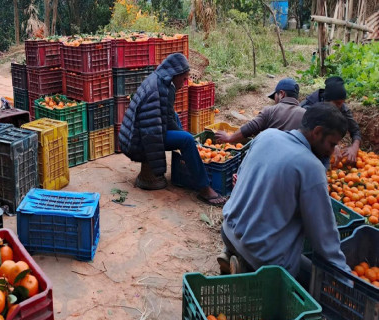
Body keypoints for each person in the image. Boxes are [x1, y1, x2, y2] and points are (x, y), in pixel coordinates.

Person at [218, 103, 349, 277]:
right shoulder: (311, 167)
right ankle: (250, 270)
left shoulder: (266, 135)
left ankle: (235, 257)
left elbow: (240, 177)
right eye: (332, 144)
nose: (331, 152)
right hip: (261, 256)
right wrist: (346, 278)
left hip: (228, 232)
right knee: (314, 276)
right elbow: (324, 238)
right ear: (317, 132)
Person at [118, 53, 226, 205]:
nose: (185, 81)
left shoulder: (160, 81)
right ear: (174, 75)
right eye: (184, 78)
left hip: (134, 134)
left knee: (177, 122)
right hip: (137, 140)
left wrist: (181, 135)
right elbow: (152, 132)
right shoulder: (162, 89)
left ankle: (186, 158)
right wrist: (185, 139)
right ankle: (204, 189)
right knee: (187, 140)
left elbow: (167, 116)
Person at [215, 78, 306, 143]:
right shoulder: (306, 115)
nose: (274, 101)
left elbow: (250, 128)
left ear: (281, 94)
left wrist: (229, 138)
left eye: (275, 96)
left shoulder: (270, 111)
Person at [300, 76, 361, 164]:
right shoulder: (307, 108)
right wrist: (331, 145)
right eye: (337, 103)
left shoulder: (342, 108)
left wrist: (354, 147)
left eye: (342, 103)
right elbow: (303, 133)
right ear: (326, 100)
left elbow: (355, 130)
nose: (340, 106)